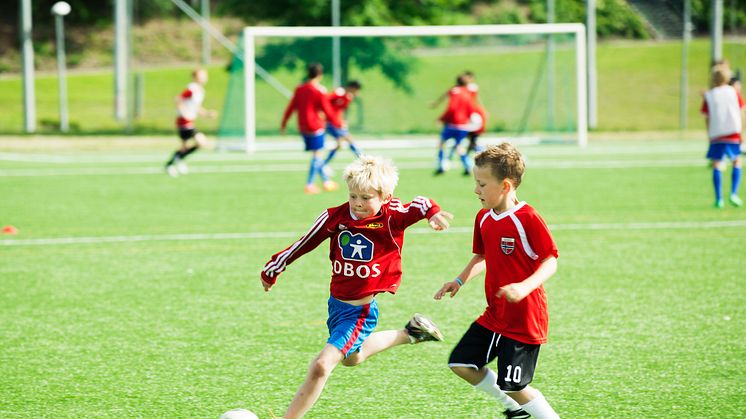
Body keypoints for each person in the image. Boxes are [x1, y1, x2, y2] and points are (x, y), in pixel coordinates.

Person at [261, 155, 453, 419]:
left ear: (385, 196)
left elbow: (421, 203)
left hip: (359, 313)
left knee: (321, 364)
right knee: (353, 358)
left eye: (366, 197)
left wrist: (433, 213)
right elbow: (304, 243)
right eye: (353, 196)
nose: (358, 204)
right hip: (336, 305)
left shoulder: (392, 215)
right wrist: (274, 267)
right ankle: (411, 332)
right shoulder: (334, 217)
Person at [434, 143, 560, 419]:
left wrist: (525, 286)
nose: (476, 190)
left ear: (504, 185)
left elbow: (550, 260)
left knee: (514, 385)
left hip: (523, 319)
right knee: (461, 363)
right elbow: (482, 255)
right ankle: (517, 410)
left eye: (481, 184)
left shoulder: (527, 218)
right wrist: (459, 280)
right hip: (495, 315)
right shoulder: (484, 218)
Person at [281, 62, 344, 194]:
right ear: (320, 74)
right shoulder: (319, 90)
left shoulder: (299, 89)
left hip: (303, 126)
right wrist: (338, 124)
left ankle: (326, 182)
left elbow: (292, 106)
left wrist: (284, 122)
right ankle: (309, 184)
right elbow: (326, 109)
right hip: (315, 125)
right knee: (318, 154)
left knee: (317, 154)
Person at [701, 63, 745, 208]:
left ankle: (719, 198)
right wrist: (742, 131)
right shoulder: (734, 92)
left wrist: (709, 134)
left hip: (717, 133)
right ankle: (733, 193)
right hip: (733, 132)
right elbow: (742, 110)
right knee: (737, 162)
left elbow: (706, 116)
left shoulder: (709, 95)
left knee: (717, 164)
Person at [164, 68, 218, 177]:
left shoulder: (200, 90)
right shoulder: (192, 88)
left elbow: (195, 107)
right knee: (201, 142)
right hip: (184, 122)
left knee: (184, 147)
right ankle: (177, 161)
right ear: (195, 77)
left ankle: (171, 164)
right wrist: (184, 112)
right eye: (201, 75)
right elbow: (178, 99)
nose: (204, 78)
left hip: (189, 121)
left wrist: (207, 113)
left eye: (205, 75)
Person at [433, 75, 477, 176]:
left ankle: (441, 164)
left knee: (441, 143)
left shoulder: (455, 92)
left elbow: (452, 108)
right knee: (459, 146)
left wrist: (442, 118)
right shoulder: (468, 93)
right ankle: (467, 165)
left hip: (453, 124)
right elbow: (471, 109)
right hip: (464, 125)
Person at [322, 80, 363, 175]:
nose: (357, 93)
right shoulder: (339, 92)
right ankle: (364, 162)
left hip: (336, 122)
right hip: (331, 123)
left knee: (339, 144)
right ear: (352, 88)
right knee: (349, 139)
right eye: (357, 90)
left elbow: (338, 110)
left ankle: (323, 164)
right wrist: (326, 114)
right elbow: (325, 100)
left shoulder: (348, 97)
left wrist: (341, 120)